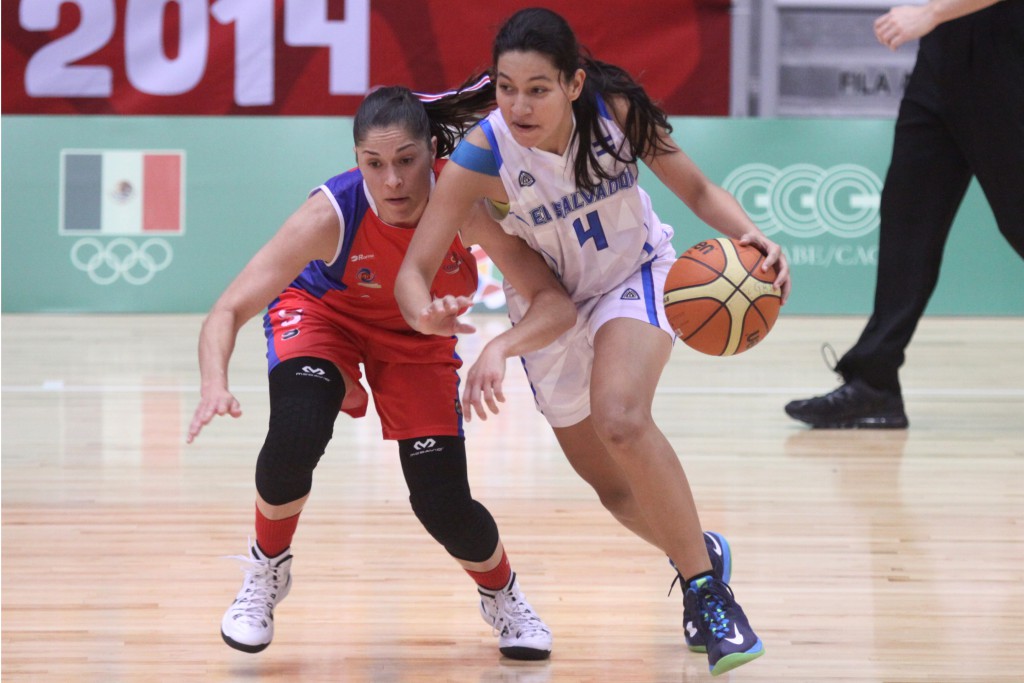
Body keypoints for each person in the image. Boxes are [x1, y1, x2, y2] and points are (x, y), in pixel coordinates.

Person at [395, 8, 791, 676]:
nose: (518, 105)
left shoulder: (615, 112)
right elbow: (414, 270)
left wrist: (751, 235)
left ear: (573, 84)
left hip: (635, 274)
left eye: (537, 89)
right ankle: (698, 550)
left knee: (622, 418)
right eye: (506, 87)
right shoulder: (482, 157)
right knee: (614, 492)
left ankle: (707, 594)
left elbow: (696, 188)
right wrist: (423, 313)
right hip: (550, 309)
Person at [186, 85, 578, 660]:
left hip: (417, 340)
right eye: (373, 164)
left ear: (432, 152)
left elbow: (554, 304)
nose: (392, 180)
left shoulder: (464, 203)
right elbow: (227, 309)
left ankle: (503, 596)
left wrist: (500, 348)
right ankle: (267, 569)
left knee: (441, 501)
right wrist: (213, 384)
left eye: (406, 161)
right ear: (357, 161)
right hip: (325, 319)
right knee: (296, 432)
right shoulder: (332, 213)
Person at [785, 0, 1023, 429]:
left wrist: (931, 13)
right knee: (908, 215)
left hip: (1005, 53)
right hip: (942, 58)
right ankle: (874, 382)